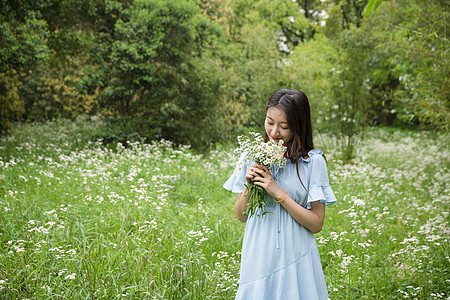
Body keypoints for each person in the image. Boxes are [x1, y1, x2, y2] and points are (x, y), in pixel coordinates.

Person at [223, 89, 337, 300]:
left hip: (296, 254)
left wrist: (277, 192)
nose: (274, 131)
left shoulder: (312, 162)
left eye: (284, 126)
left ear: (299, 126)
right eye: (269, 122)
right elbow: (241, 215)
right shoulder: (253, 155)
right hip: (259, 253)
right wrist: (250, 184)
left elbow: (316, 223)